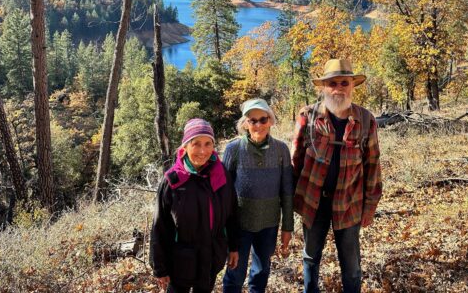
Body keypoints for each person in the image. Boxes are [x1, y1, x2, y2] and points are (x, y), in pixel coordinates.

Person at [291, 59, 382, 293]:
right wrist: (292, 199)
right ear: (323, 87)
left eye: (344, 82)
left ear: (352, 85)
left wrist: (370, 206)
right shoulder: (308, 116)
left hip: (349, 203)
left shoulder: (365, 119)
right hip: (314, 201)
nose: (338, 88)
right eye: (332, 83)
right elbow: (296, 158)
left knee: (351, 264)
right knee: (310, 257)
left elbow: (372, 164)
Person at [150, 118, 240, 293]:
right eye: (196, 144)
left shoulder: (221, 175)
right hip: (180, 262)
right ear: (185, 147)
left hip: (212, 257)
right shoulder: (173, 181)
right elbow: (160, 227)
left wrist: (234, 247)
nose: (202, 151)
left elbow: (232, 214)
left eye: (208, 144)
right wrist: (159, 267)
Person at [222, 98, 294, 293]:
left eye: (263, 119)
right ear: (245, 123)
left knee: (261, 273)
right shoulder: (233, 150)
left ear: (270, 120)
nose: (258, 125)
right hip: (240, 225)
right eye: (253, 120)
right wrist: (225, 232)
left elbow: (287, 191)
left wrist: (287, 228)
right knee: (234, 273)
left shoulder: (281, 150)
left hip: (269, 224)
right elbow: (223, 195)